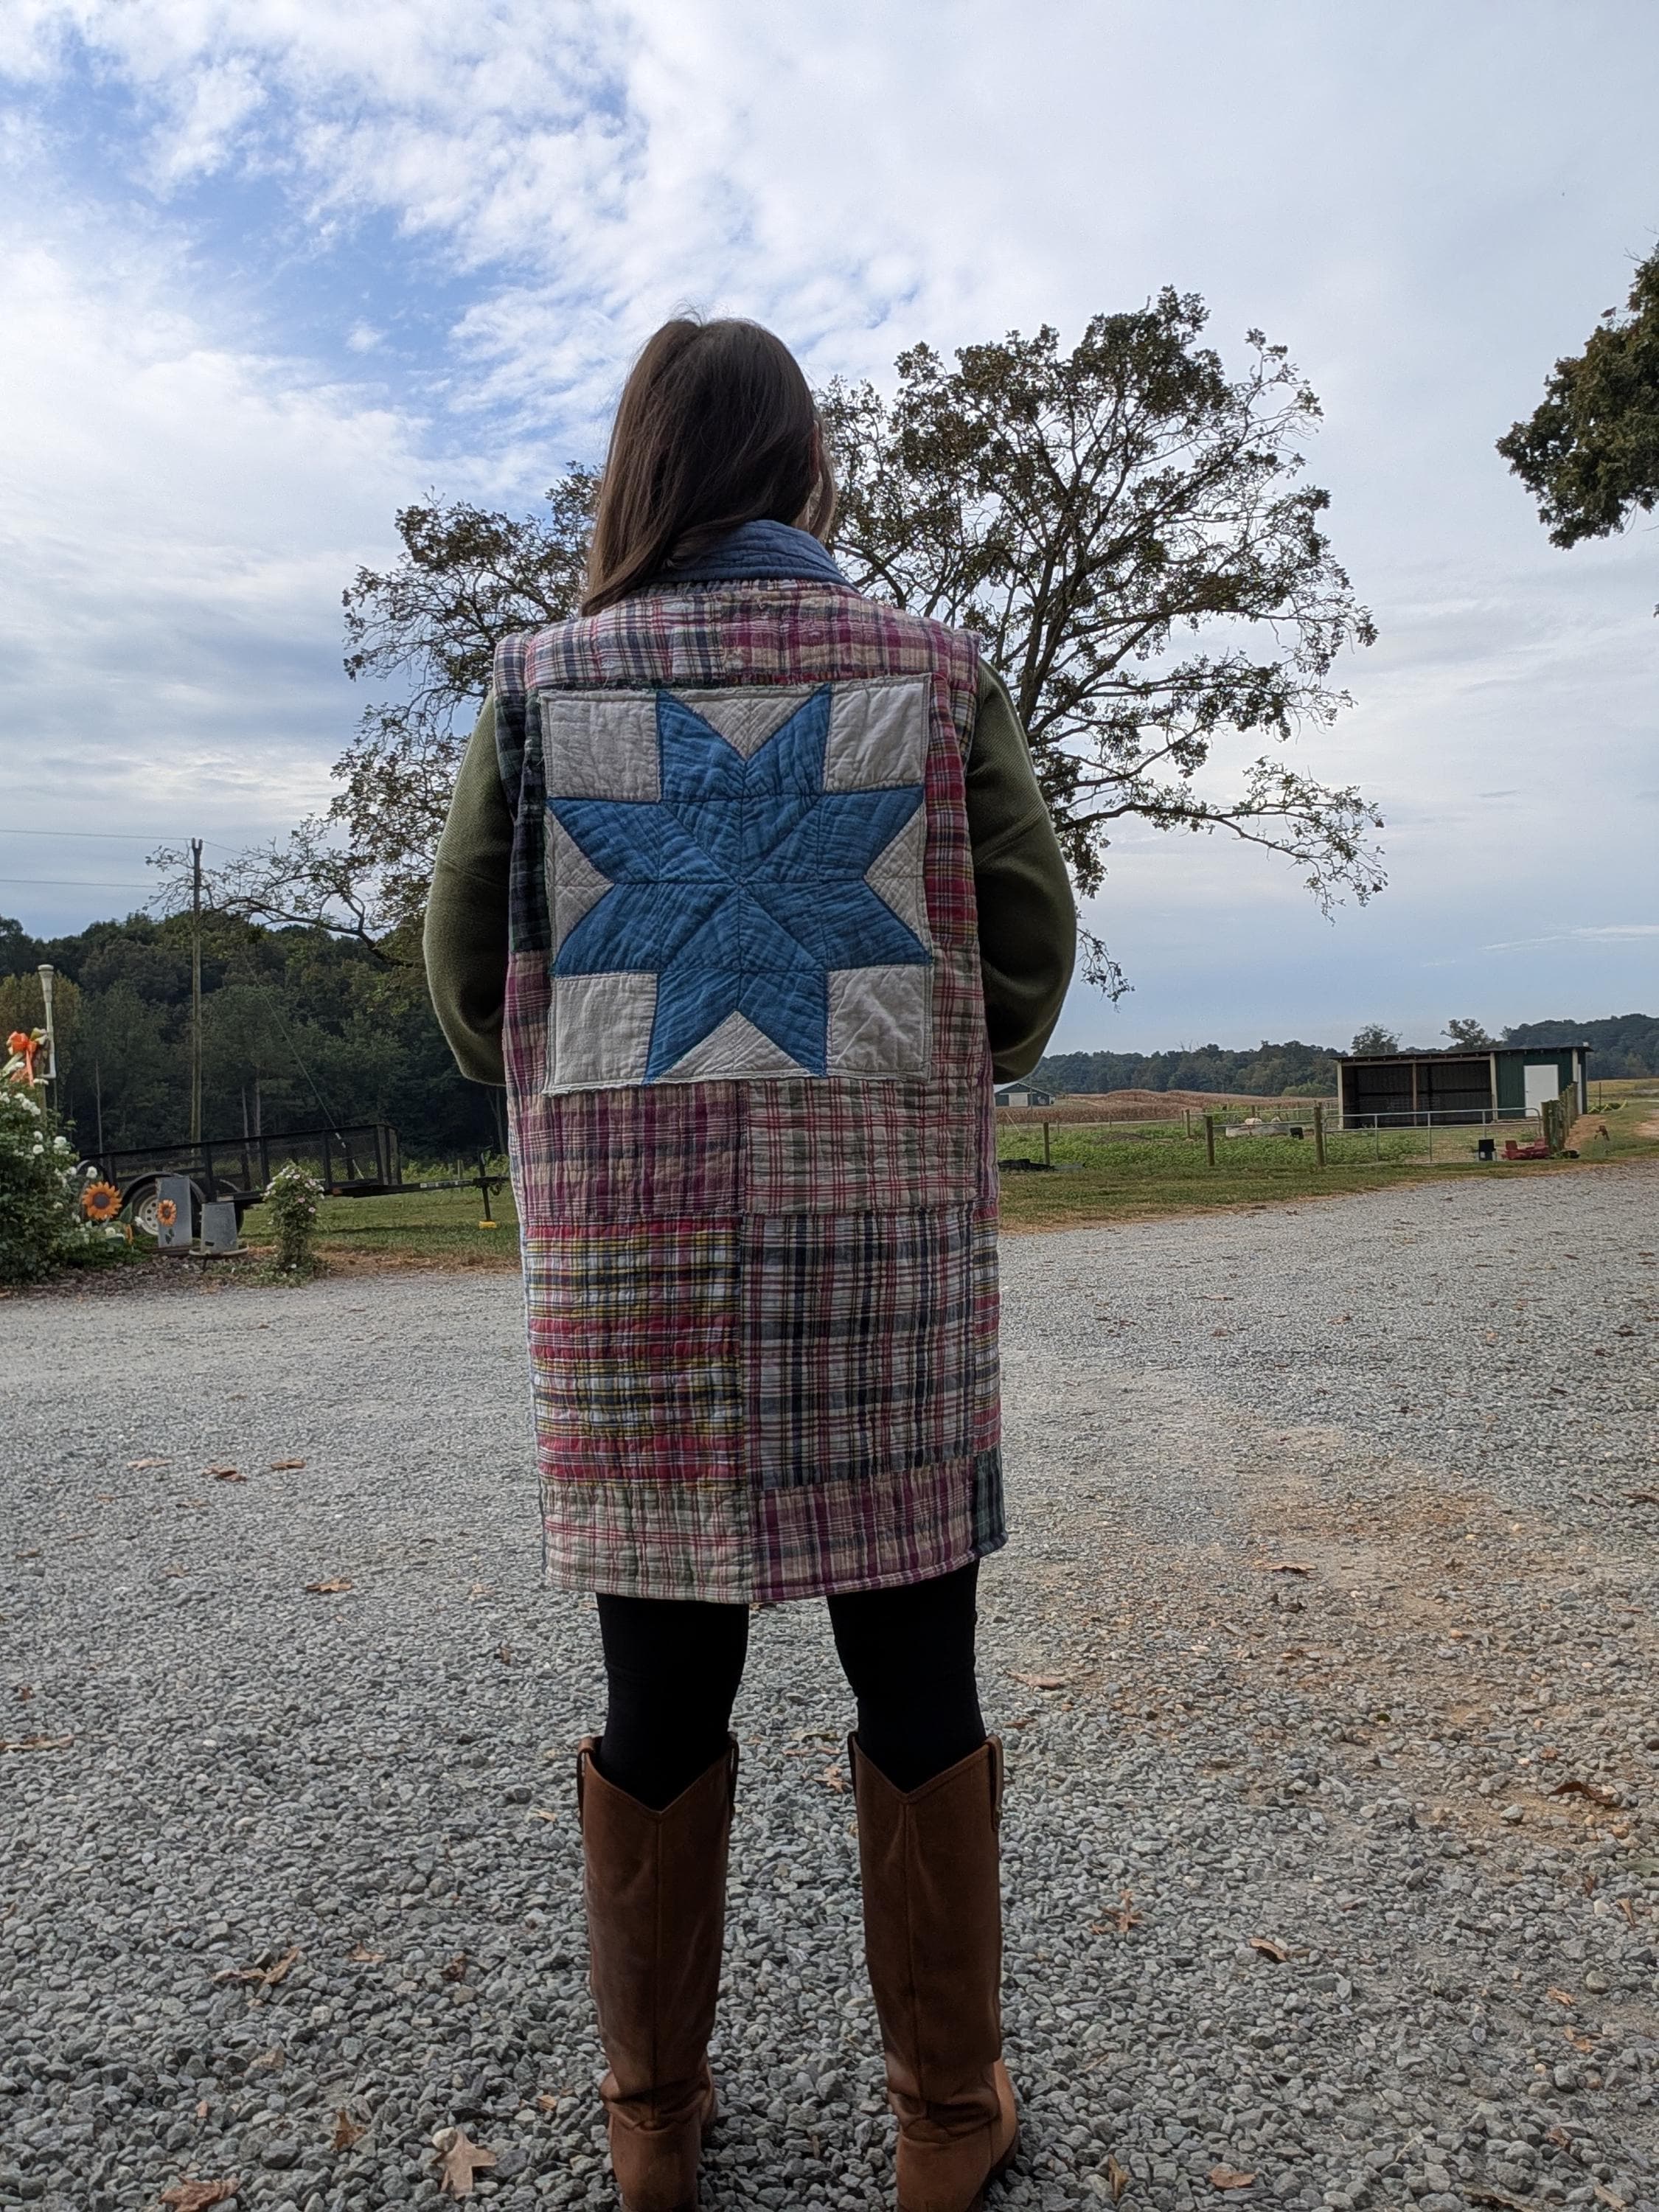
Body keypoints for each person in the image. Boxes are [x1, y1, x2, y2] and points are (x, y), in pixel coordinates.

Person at [426, 316, 1074, 2212]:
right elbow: (1025, 959)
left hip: (636, 1274)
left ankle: (653, 2119)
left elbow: (473, 992)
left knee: (659, 1692)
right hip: (882, 1245)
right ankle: (943, 2118)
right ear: (804, 467)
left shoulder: (541, 686)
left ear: (641, 468)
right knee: (917, 1671)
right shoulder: (930, 673)